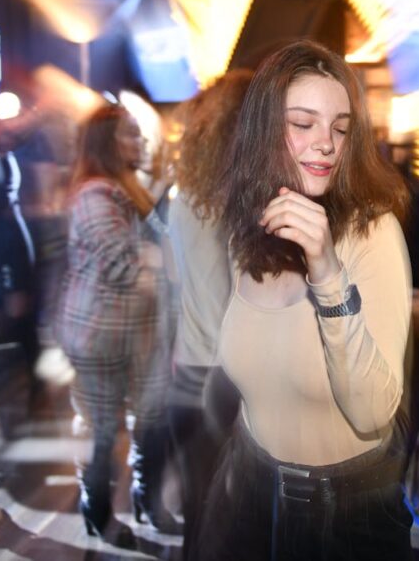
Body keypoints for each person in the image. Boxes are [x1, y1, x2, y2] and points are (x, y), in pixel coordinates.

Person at [196, 40, 413, 561]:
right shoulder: (246, 231)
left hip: (343, 513)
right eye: (303, 123)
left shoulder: (372, 232)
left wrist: (327, 271)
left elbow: (372, 413)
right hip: (246, 487)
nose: (327, 144)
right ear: (264, 131)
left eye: (340, 128)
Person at [57, 104, 178, 537]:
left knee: (150, 418)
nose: (141, 142)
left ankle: (146, 497)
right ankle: (98, 508)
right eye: (131, 134)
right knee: (102, 427)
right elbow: (126, 265)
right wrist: (165, 261)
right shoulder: (94, 195)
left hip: (138, 331)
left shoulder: (128, 187)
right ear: (108, 143)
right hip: (100, 333)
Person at [165, 69, 252, 559]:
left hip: (189, 374)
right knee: (239, 527)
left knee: (199, 521)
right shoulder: (246, 203)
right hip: (233, 383)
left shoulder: (184, 198)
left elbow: (177, 279)